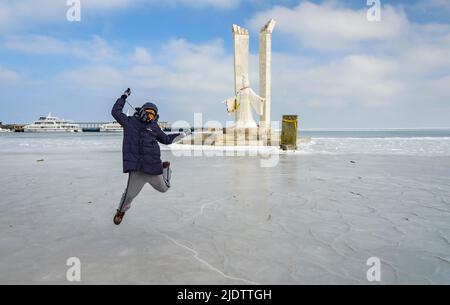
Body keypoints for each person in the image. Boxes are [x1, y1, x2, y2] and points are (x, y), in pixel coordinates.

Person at [111, 88, 191, 225]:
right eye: (148, 112)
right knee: (129, 195)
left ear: (156, 116)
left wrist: (182, 134)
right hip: (137, 168)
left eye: (153, 115)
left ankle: (165, 169)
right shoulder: (129, 122)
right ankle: (120, 212)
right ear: (142, 111)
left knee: (164, 189)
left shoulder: (154, 127)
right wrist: (123, 97)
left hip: (154, 166)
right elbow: (115, 112)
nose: (150, 116)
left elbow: (166, 139)